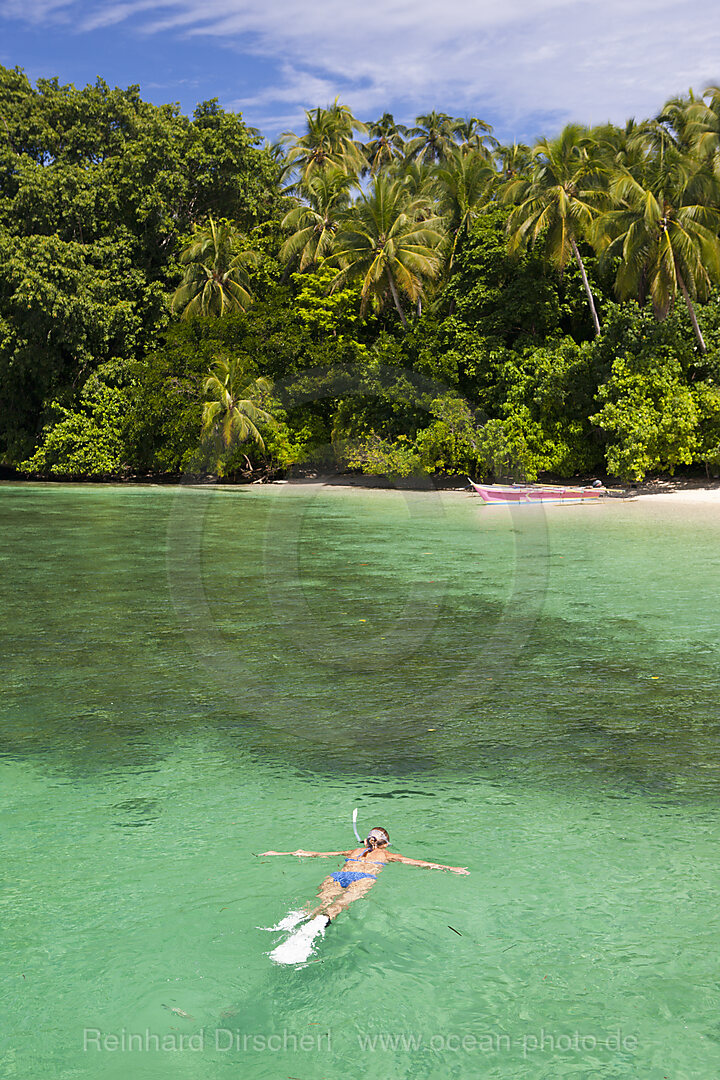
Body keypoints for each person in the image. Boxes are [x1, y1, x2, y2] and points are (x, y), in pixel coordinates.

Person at [260, 826, 469, 926]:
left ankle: (300, 917)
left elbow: (311, 854)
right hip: (363, 878)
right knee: (341, 904)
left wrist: (278, 853)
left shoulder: (351, 852)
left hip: (339, 875)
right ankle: (322, 921)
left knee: (321, 899)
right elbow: (421, 864)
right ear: (384, 842)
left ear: (367, 840)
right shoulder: (387, 854)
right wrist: (451, 868)